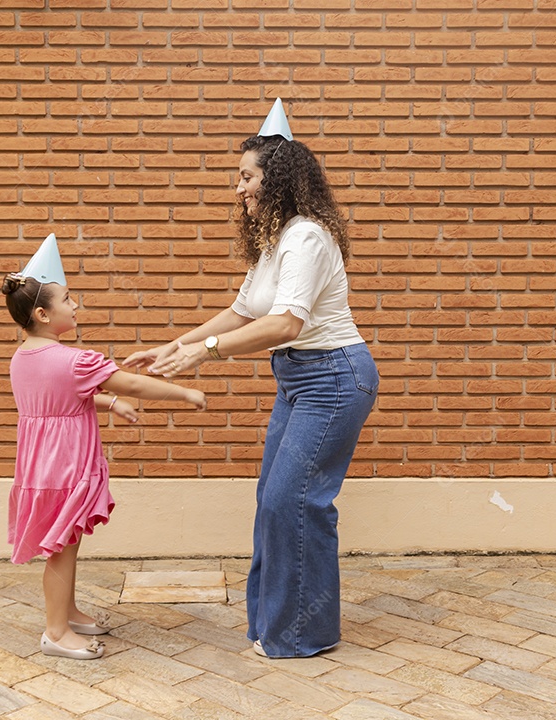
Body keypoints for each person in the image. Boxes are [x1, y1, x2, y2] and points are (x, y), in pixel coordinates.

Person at [124, 99, 379, 659]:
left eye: (247, 176)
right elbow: (243, 313)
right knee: (275, 499)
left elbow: (286, 322)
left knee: (297, 499)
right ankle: (276, 624)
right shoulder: (273, 242)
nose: (238, 188)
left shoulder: (307, 237)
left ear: (277, 178)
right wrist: (177, 344)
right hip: (301, 382)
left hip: (334, 380)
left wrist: (205, 354)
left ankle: (299, 633)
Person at [3, 233, 206, 660]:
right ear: (43, 313)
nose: (76, 306)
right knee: (59, 549)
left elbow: (61, 398)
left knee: (66, 543)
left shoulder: (23, 358)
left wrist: (110, 403)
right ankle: (56, 633)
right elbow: (130, 381)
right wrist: (184, 394)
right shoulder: (75, 360)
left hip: (39, 467)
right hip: (66, 467)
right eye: (68, 299)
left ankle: (68, 612)